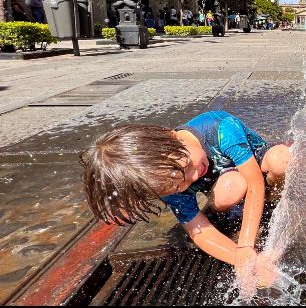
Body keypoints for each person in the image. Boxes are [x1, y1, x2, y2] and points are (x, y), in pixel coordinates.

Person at [80, 111, 291, 293]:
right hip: (228, 182)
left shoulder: (220, 129)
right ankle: (221, 208)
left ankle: (273, 196)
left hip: (258, 166)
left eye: (187, 166)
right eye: (177, 185)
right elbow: (198, 230)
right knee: (231, 188)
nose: (192, 176)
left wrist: (245, 244)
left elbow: (254, 182)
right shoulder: (165, 179)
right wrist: (243, 260)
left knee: (282, 159)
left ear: (172, 137)